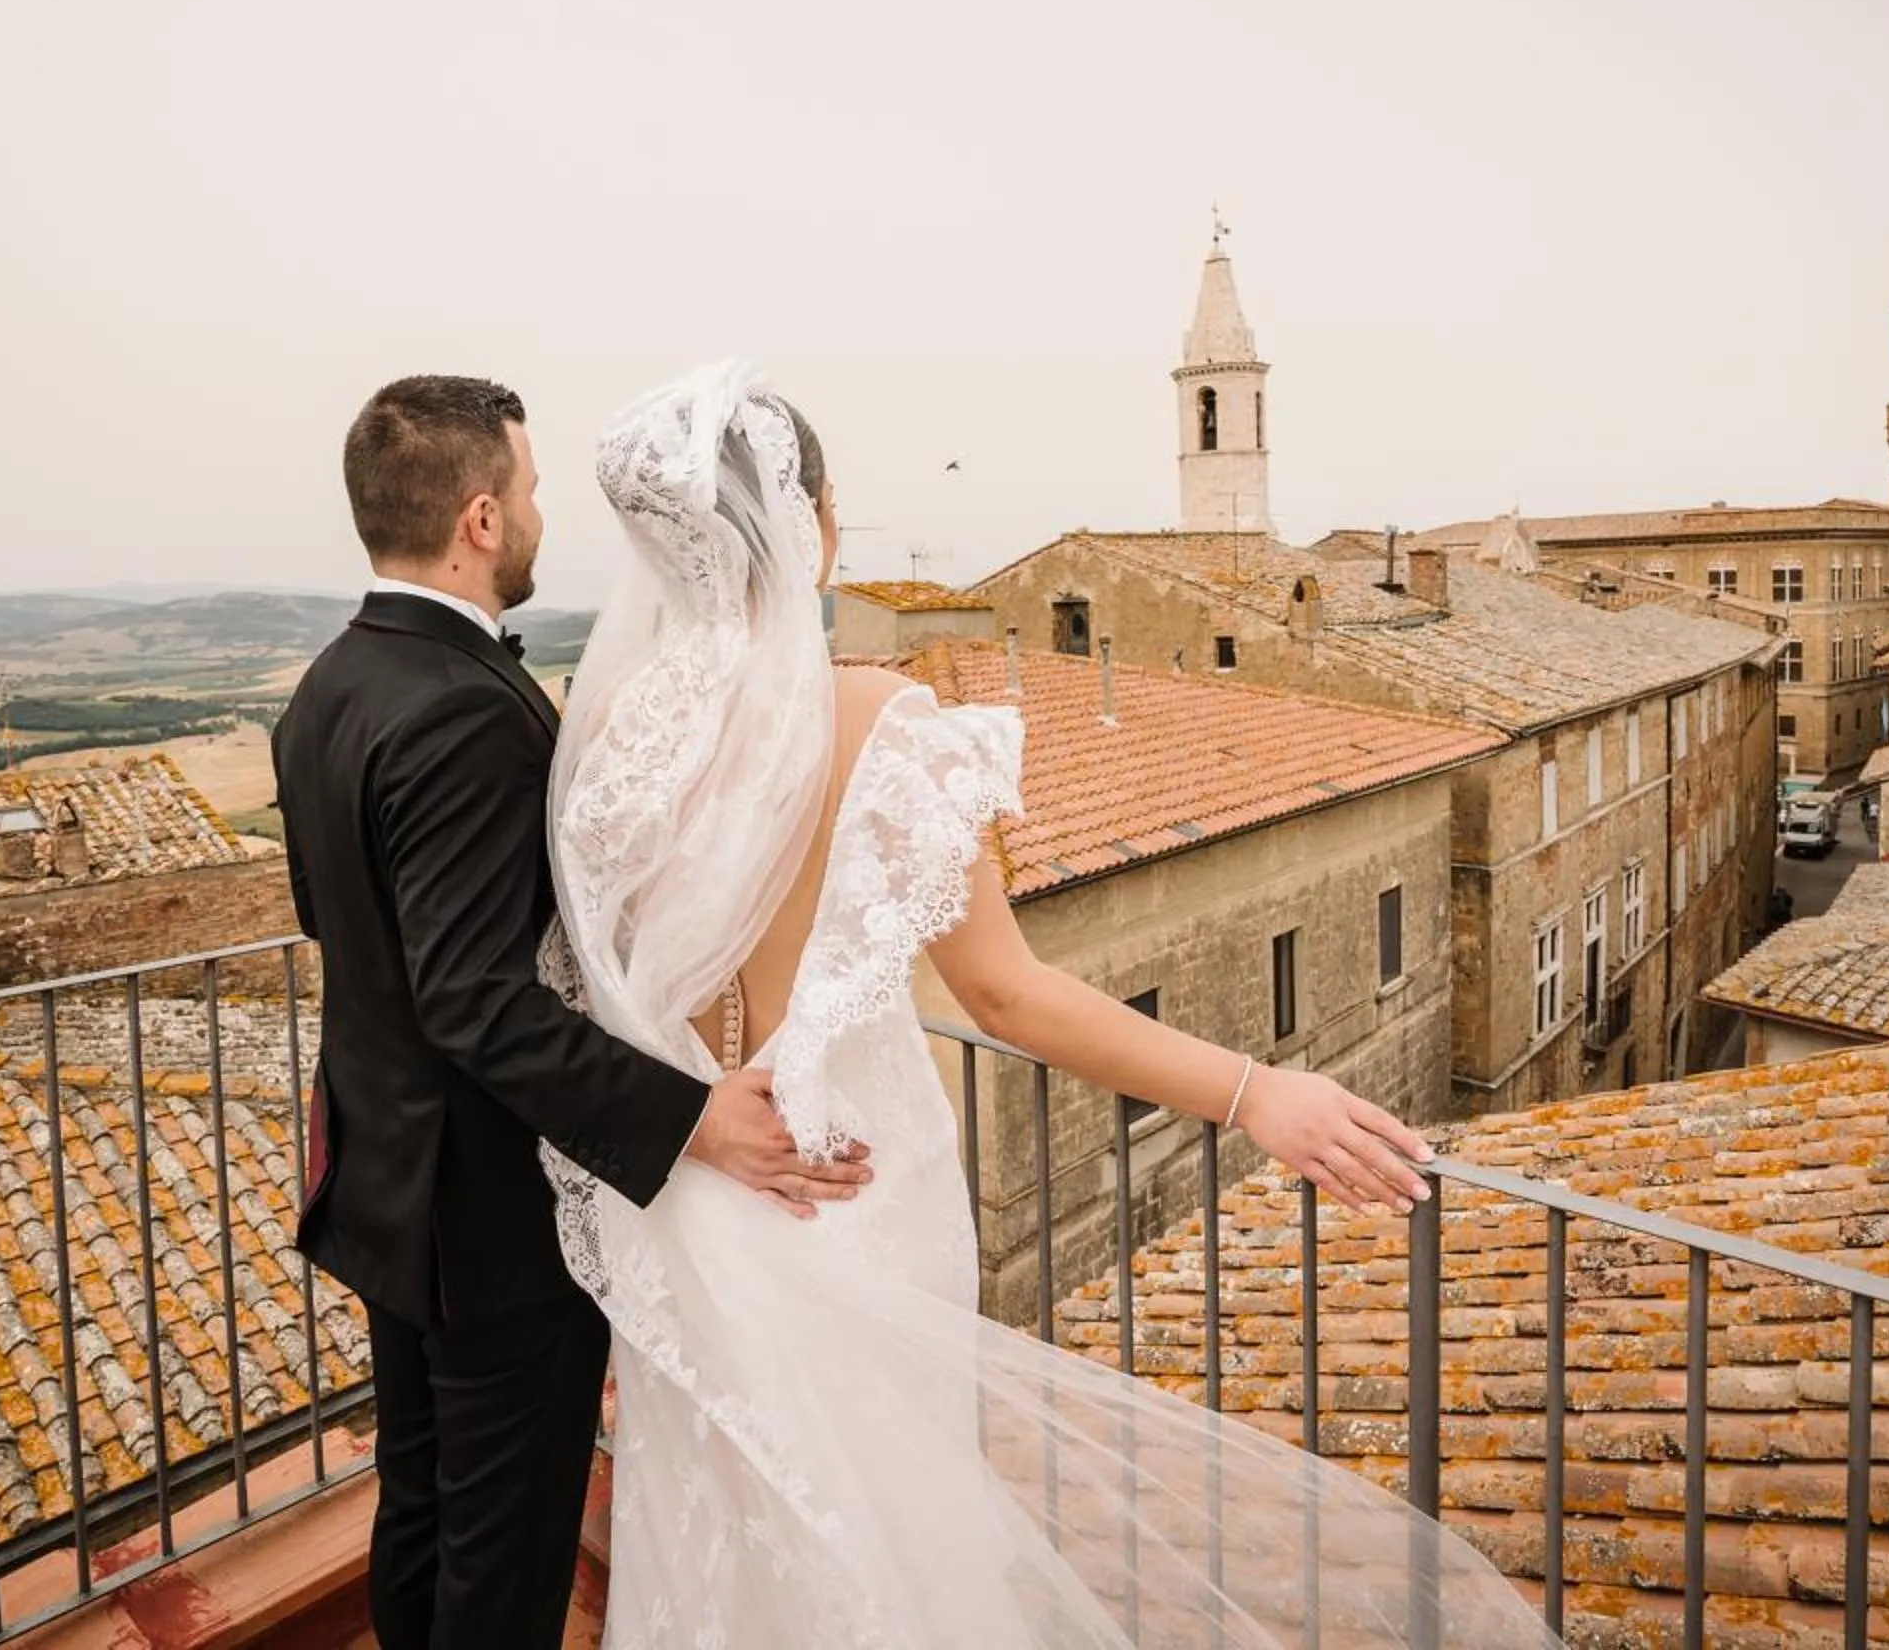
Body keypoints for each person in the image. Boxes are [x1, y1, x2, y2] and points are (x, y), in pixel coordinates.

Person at [539, 362, 1562, 1647]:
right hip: (858, 1186)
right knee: (890, 1531)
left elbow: (587, 992)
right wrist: (1258, 1090)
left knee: (734, 1528)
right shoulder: (881, 722)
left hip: (695, 1198)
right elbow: (1008, 993)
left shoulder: (611, 737)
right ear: (807, 526)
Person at [271, 375, 874, 1649]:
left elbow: (343, 928)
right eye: (533, 493)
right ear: (481, 518)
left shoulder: (329, 684)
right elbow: (477, 1002)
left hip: (386, 1184)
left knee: (421, 1507)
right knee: (502, 1556)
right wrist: (691, 1118)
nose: (544, 516)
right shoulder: (456, 715)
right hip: (487, 1218)